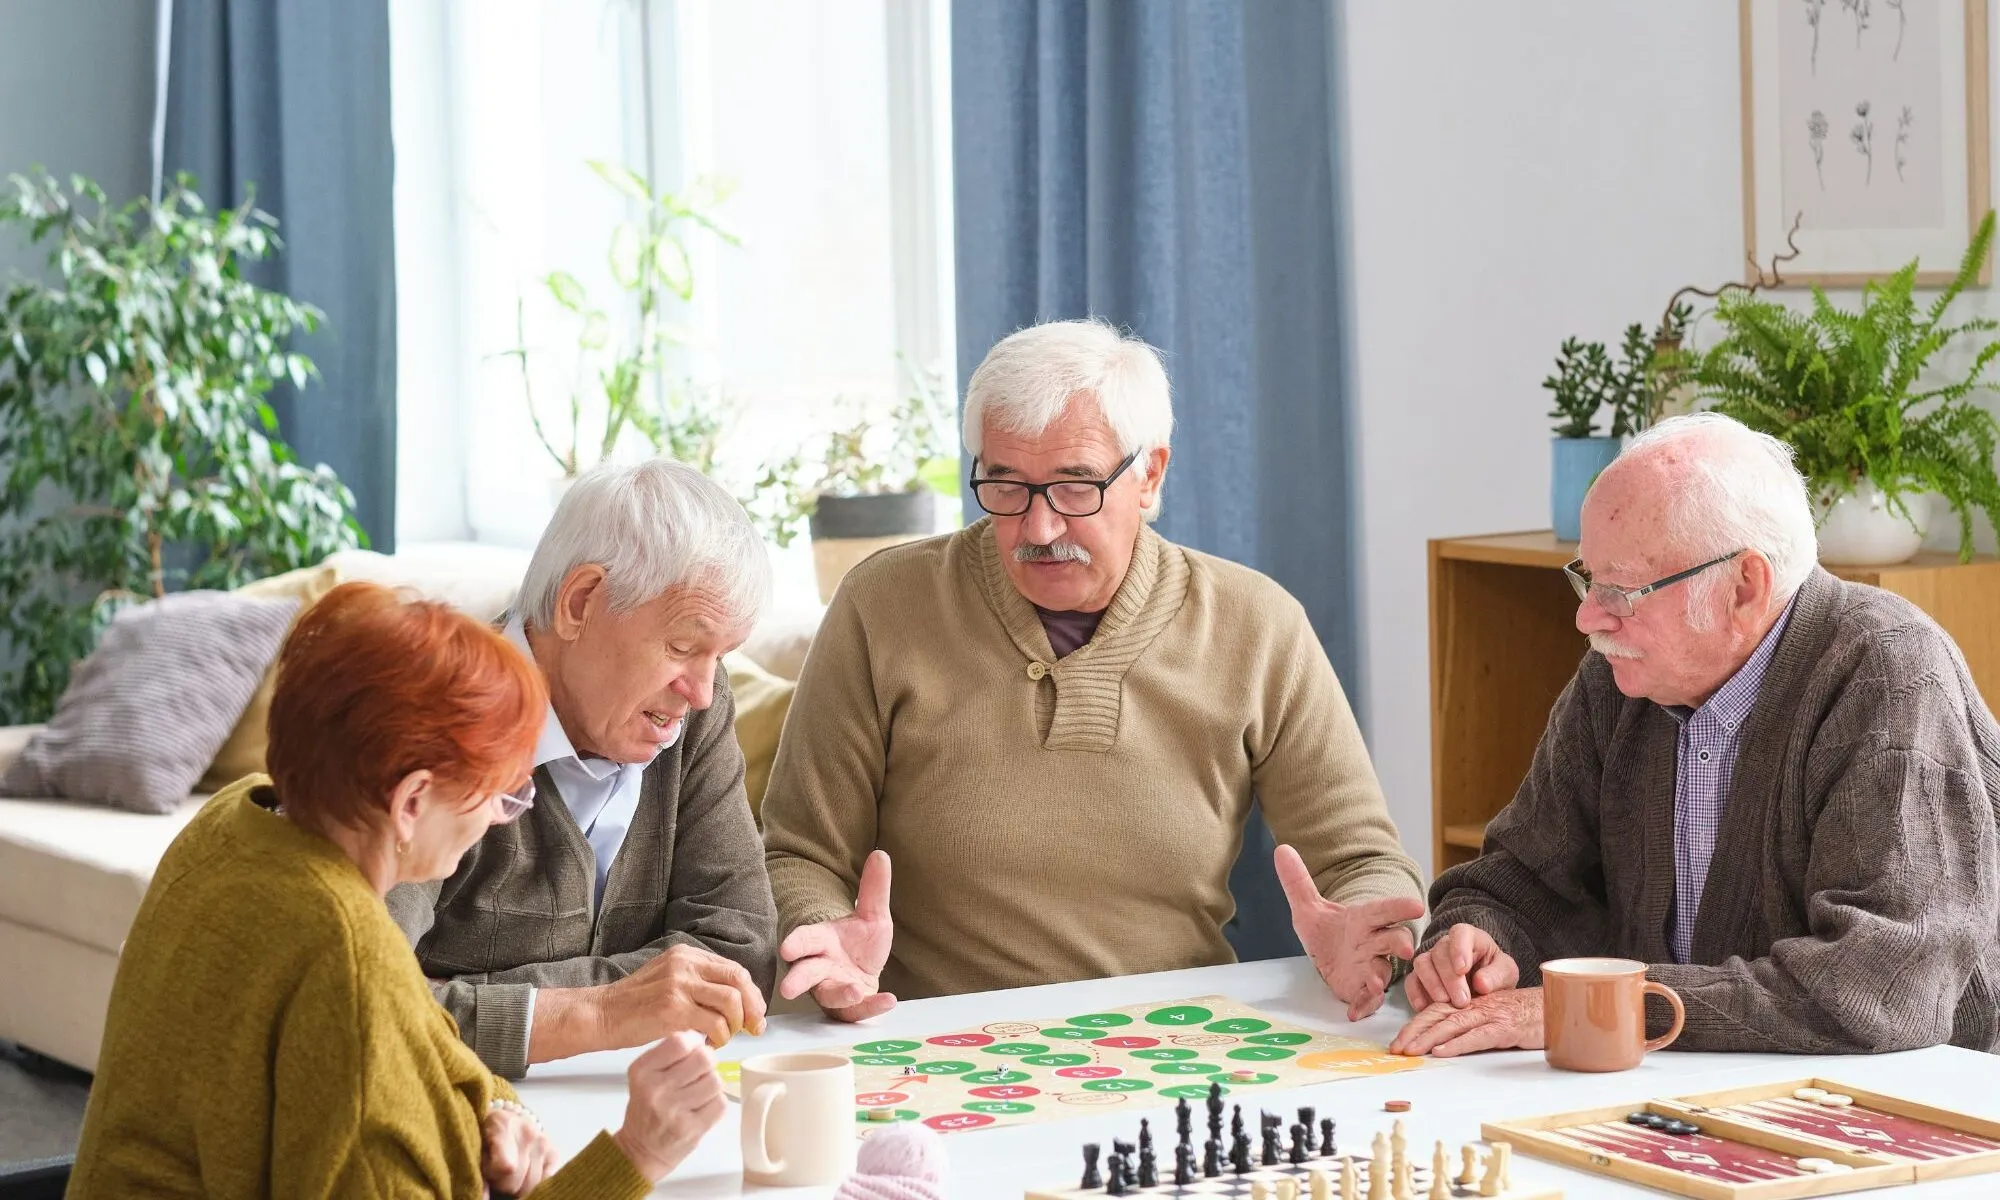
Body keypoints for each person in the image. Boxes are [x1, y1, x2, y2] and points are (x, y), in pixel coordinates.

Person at [761, 318, 1426, 1022]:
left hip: (1172, 1041)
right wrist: (823, 935)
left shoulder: (1256, 625)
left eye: (1075, 486)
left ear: (1151, 474)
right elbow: (799, 853)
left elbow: (1360, 860)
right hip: (930, 1036)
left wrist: (1370, 932)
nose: (1038, 530)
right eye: (1006, 485)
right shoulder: (884, 605)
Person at [68, 583, 725, 1198]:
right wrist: (638, 1153)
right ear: (411, 801)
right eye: (500, 793)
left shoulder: (236, 824)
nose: (500, 816)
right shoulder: (346, 956)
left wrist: (489, 1103)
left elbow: (422, 1030)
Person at [1390, 413, 2000, 1059]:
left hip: (1913, 1104)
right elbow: (1522, 878)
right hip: (1691, 1082)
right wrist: (1477, 938)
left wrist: (1600, 1009)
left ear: (1745, 585)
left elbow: (1880, 990)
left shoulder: (1885, 669)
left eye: (1624, 589)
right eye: (1588, 577)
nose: (1588, 616)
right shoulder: (1622, 678)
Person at [389, 459, 780, 1078]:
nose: (702, 690)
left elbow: (738, 951)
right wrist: (600, 1012)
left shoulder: (691, 710)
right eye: (682, 646)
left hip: (637, 1097)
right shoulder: (436, 716)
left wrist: (466, 995)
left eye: (720, 656)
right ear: (579, 602)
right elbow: (367, 1010)